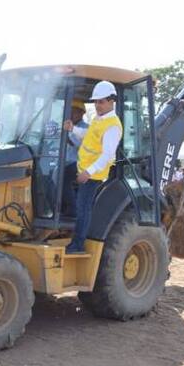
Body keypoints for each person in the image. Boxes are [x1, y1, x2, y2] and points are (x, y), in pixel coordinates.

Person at [63, 81, 122, 254]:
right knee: (62, 176)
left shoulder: (112, 125)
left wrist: (88, 173)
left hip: (92, 175)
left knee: (83, 209)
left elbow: (107, 155)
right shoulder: (99, 119)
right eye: (95, 102)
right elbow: (88, 136)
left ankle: (77, 244)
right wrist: (73, 129)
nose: (97, 105)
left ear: (111, 101)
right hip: (82, 167)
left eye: (101, 102)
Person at [62, 100, 89, 217]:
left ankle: (73, 209)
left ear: (81, 113)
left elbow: (78, 143)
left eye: (74, 112)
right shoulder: (68, 127)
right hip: (68, 162)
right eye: (70, 112)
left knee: (62, 176)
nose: (71, 115)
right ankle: (58, 207)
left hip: (81, 164)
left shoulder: (87, 128)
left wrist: (65, 136)